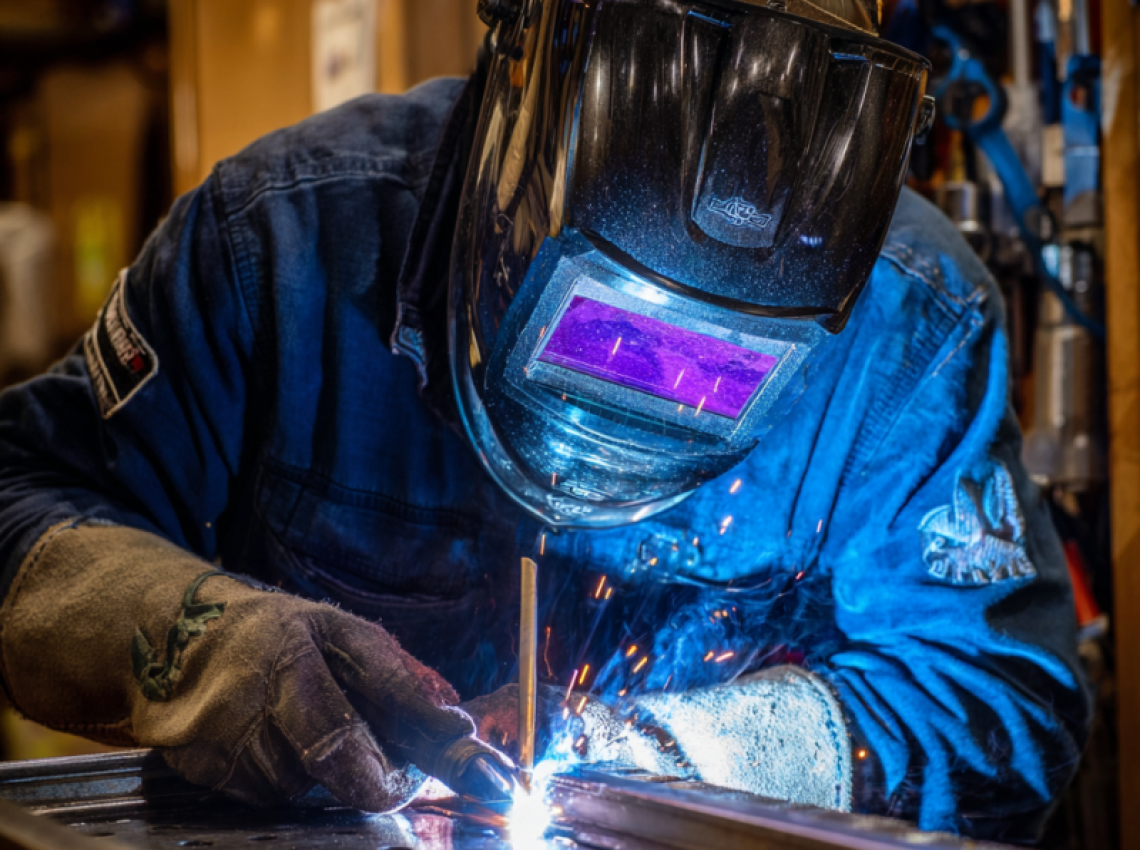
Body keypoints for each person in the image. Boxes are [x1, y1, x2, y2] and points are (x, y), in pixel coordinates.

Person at [0, 0, 1089, 841]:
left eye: (709, 368)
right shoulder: (280, 240)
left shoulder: (908, 329)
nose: (628, 401)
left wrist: (675, 748)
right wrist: (201, 639)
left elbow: (1000, 704)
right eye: (601, 329)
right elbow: (21, 497)